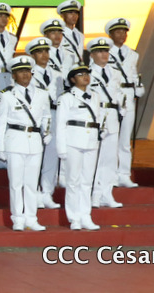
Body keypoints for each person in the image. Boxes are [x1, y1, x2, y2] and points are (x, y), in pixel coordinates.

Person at [0, 56, 50, 231]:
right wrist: (0, 147)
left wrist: (47, 133)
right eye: (20, 71)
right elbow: (0, 123)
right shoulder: (7, 96)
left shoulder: (42, 94)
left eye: (27, 71)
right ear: (13, 75)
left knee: (32, 184)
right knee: (16, 184)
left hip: (35, 142)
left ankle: (31, 218)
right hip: (15, 141)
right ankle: (18, 218)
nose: (25, 74)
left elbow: (46, 116)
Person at [55, 64, 103, 231]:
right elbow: (60, 124)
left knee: (87, 181)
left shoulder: (95, 96)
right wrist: (61, 148)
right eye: (81, 75)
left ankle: (86, 215)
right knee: (73, 181)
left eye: (87, 74)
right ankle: (74, 217)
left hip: (91, 141)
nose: (85, 77)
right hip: (73, 141)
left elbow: (98, 117)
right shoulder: (66, 97)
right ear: (72, 79)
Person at [105, 18, 145, 188]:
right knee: (111, 137)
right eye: (118, 32)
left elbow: (133, 74)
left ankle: (124, 174)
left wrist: (138, 86)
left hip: (128, 97)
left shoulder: (132, 54)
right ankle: (111, 174)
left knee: (125, 139)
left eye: (124, 32)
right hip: (113, 97)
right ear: (111, 34)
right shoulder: (104, 52)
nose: (122, 35)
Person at [87, 37, 125, 208]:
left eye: (106, 51)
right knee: (96, 158)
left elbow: (119, 93)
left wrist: (122, 106)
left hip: (112, 116)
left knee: (110, 158)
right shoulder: (87, 73)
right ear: (92, 54)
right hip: (97, 116)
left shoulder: (115, 73)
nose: (104, 54)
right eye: (100, 51)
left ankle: (107, 193)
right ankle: (94, 194)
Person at [27, 37, 64, 209]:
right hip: (36, 116)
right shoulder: (28, 73)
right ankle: (33, 192)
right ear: (32, 55)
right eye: (39, 52)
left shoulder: (57, 73)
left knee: (51, 155)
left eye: (46, 51)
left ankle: (47, 192)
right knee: (35, 156)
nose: (44, 55)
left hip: (55, 114)